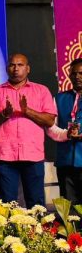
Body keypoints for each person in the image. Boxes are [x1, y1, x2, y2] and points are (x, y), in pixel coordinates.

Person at [0, 53, 56, 207]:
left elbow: (50, 120)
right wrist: (5, 114)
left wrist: (27, 111)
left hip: (33, 155)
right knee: (7, 203)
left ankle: (38, 231)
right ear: (6, 69)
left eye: (20, 65)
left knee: (36, 203)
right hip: (6, 157)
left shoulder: (41, 91)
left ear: (28, 68)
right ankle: (11, 232)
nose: (16, 69)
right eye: (12, 65)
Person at [47, 58, 82, 204]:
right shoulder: (59, 98)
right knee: (69, 209)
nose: (77, 77)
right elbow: (50, 127)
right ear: (69, 75)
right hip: (65, 161)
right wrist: (65, 134)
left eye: (81, 73)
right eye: (74, 73)